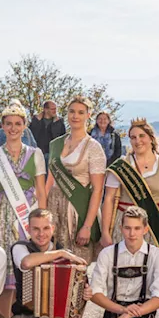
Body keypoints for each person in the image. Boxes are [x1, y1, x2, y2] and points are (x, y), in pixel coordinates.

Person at [6, 208, 86, 318]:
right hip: (24, 317)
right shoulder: (20, 247)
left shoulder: (63, 250)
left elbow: (76, 285)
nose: (41, 234)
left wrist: (83, 292)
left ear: (53, 228)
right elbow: (26, 263)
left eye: (46, 228)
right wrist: (59, 254)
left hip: (51, 317)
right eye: (36, 229)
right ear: (29, 229)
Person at [0, 101, 48, 318]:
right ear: (2, 126)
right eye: (8, 124)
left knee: (30, 268)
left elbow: (40, 190)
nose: (13, 128)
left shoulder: (36, 154)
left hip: (28, 215)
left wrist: (44, 223)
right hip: (2, 215)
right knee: (6, 273)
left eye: (17, 124)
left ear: (24, 126)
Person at [44, 96, 107, 269]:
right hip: (54, 208)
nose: (75, 116)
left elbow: (97, 190)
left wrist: (87, 226)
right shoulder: (56, 144)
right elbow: (49, 182)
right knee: (52, 262)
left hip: (78, 209)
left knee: (77, 264)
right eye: (72, 111)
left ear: (88, 116)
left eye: (80, 112)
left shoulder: (94, 148)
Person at [101, 118, 159, 252]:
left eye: (142, 136)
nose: (137, 141)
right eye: (133, 137)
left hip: (154, 226)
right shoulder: (121, 165)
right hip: (125, 226)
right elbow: (109, 199)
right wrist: (105, 233)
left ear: (151, 138)